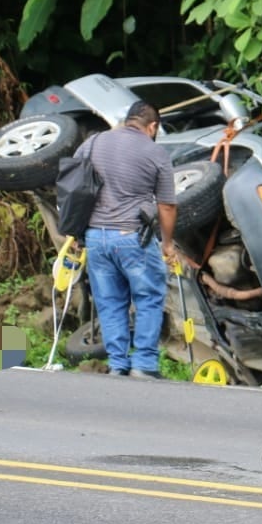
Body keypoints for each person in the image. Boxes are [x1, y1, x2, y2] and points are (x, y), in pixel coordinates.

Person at [77, 100, 179, 379]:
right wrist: (168, 244)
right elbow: (167, 206)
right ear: (153, 126)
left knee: (109, 302)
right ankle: (144, 364)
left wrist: (75, 232)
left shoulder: (93, 143)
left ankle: (118, 363)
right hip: (132, 236)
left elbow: (71, 186)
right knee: (148, 296)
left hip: (96, 237)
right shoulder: (156, 152)